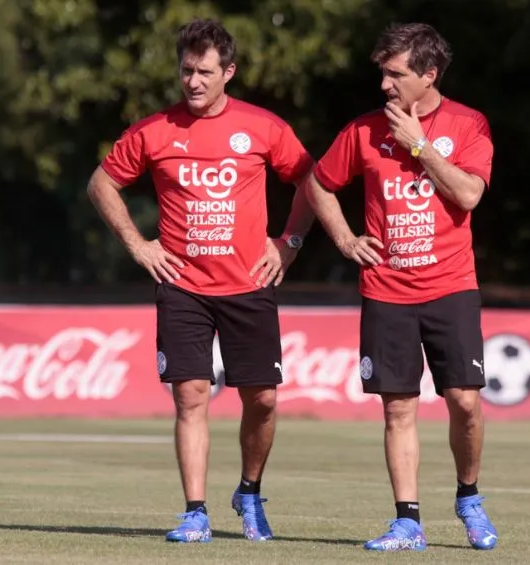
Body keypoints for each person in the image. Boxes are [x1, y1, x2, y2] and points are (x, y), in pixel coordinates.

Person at [87, 18, 314, 544]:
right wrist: (137, 244)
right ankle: (195, 511)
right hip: (183, 286)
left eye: (205, 71)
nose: (193, 81)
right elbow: (101, 183)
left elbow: (311, 179)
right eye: (186, 70)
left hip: (248, 284)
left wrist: (289, 243)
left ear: (228, 72)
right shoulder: (153, 130)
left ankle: (250, 491)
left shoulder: (263, 127)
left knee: (263, 401)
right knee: (191, 395)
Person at [305, 22, 498, 552]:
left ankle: (468, 497)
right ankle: (408, 522)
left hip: (451, 286)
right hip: (386, 290)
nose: (385, 85)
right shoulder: (363, 130)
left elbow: (469, 195)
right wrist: (346, 240)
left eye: (396, 74)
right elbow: (318, 184)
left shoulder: (467, 124)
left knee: (463, 401)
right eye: (383, 74)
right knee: (398, 409)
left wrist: (420, 148)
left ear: (429, 74)